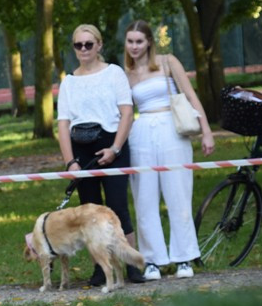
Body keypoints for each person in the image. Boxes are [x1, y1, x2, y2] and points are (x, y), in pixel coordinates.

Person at [123, 20, 216, 280]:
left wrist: (206, 130)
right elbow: (125, 112)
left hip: (172, 129)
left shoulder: (167, 62)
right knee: (144, 198)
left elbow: (190, 96)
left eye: (139, 41)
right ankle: (152, 260)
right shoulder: (125, 73)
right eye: (130, 41)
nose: (134, 46)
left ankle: (183, 257)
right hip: (141, 133)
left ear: (149, 42)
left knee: (178, 193)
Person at [57, 24, 144, 286]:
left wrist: (115, 148)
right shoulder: (69, 82)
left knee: (117, 207)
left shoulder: (114, 74)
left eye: (88, 44)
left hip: (112, 142)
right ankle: (100, 268)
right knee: (90, 212)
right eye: (78, 45)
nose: (83, 49)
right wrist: (70, 161)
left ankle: (133, 265)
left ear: (99, 45)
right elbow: (62, 123)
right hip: (81, 148)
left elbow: (127, 113)